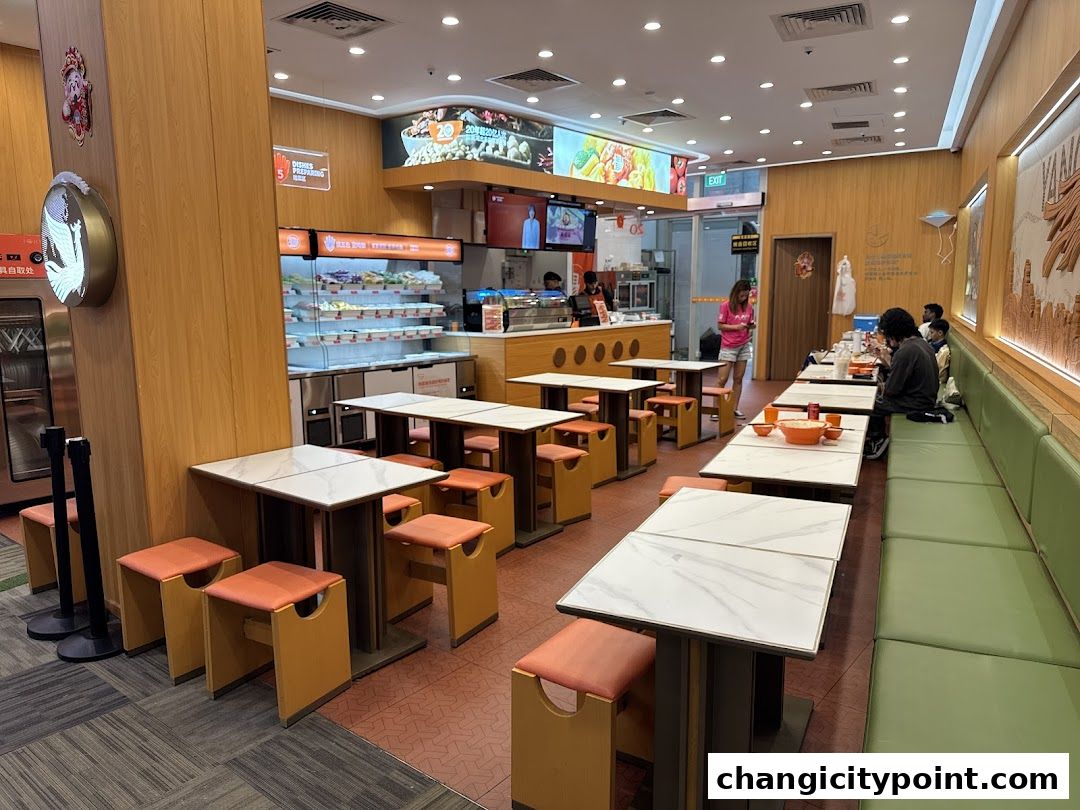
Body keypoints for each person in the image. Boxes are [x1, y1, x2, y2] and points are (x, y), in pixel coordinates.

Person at [864, 307, 939, 459]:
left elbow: (891, 391)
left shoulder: (906, 351)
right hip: (927, 398)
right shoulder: (920, 343)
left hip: (916, 404)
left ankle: (877, 441)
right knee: (875, 396)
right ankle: (877, 438)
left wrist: (878, 387)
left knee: (869, 404)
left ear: (893, 332)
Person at [716, 279, 754, 420]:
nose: (743, 298)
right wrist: (736, 327)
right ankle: (716, 409)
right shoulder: (725, 306)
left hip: (743, 345)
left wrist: (750, 328)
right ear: (735, 293)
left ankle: (735, 408)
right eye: (741, 295)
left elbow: (750, 324)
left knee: (738, 379)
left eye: (746, 295)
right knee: (722, 379)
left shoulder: (749, 307)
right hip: (728, 346)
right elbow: (720, 326)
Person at [928, 318, 951, 384]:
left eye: (932, 332)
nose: (930, 335)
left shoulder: (939, 348)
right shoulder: (933, 343)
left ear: (940, 333)